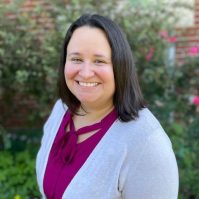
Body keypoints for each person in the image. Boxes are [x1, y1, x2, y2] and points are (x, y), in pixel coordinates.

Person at [36, 14, 179, 199]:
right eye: (76, 59)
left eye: (99, 61)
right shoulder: (60, 110)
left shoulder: (147, 143)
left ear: (120, 66)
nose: (86, 73)